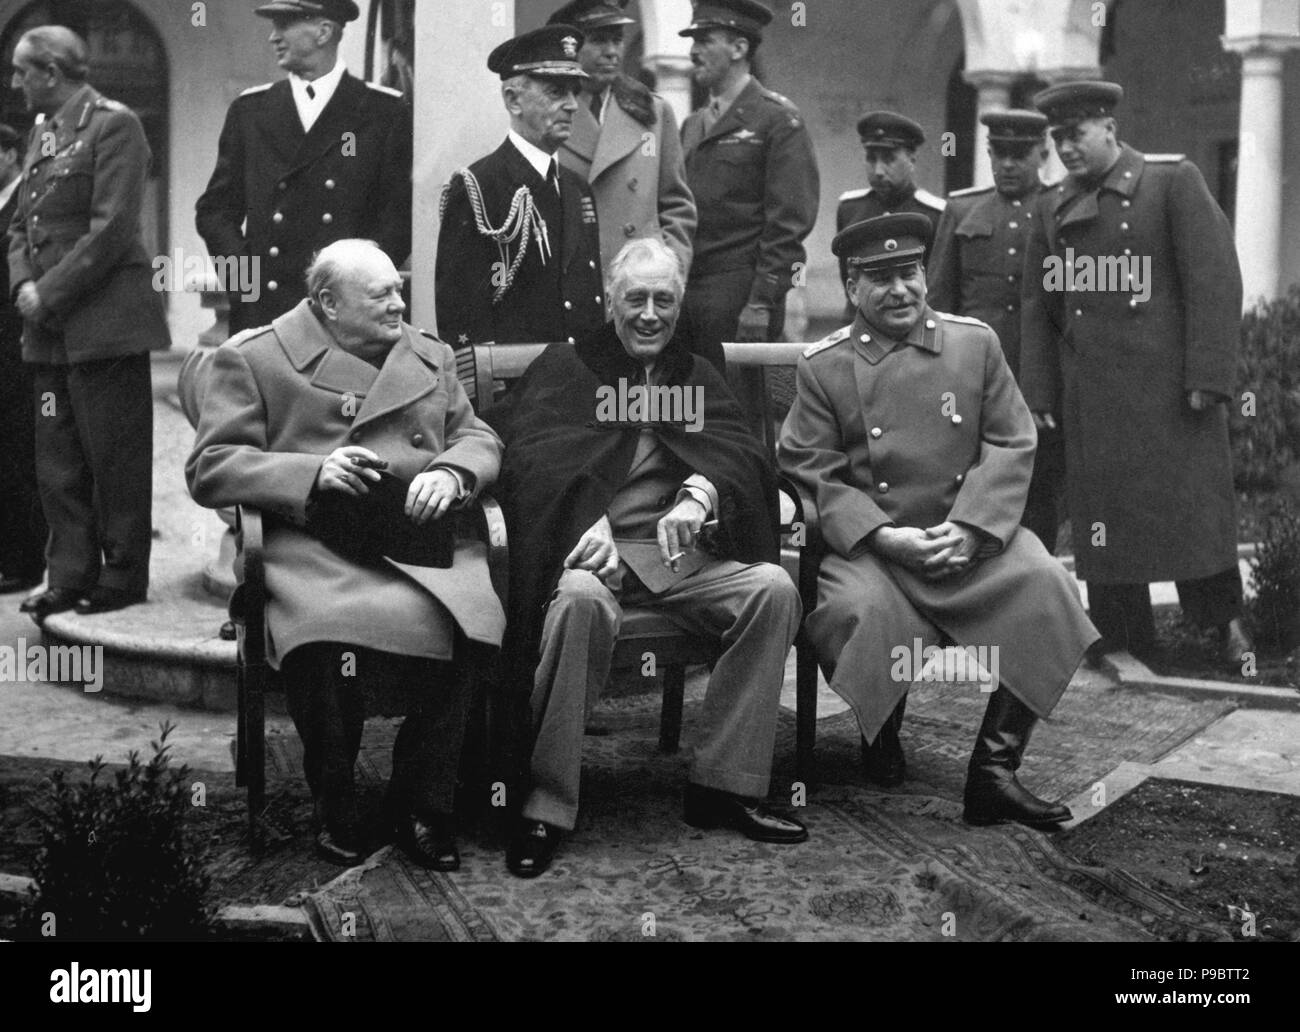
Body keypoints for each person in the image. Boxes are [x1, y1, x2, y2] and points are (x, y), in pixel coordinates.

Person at [485, 237, 806, 879]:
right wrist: (586, 516)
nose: (650, 314)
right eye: (636, 299)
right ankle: (545, 804)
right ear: (612, 302)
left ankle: (723, 785)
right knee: (576, 603)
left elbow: (744, 457)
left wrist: (698, 494)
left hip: (677, 562)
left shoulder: (694, 370)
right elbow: (528, 456)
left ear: (680, 302)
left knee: (773, 589)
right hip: (594, 559)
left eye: (664, 299)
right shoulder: (571, 365)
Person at [186, 240, 504, 869]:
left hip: (415, 539)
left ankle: (423, 804)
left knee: (472, 625)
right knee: (327, 638)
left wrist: (452, 470)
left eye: (399, 288)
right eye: (381, 294)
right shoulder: (254, 358)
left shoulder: (426, 354)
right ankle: (336, 801)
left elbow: (478, 434)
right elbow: (211, 467)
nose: (399, 303)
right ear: (327, 303)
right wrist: (311, 471)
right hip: (314, 544)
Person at [778, 215, 1098, 828]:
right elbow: (808, 468)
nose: (899, 290)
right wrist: (881, 535)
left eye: (909, 273)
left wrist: (974, 527)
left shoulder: (974, 344)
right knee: (860, 615)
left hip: (969, 542)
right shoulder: (824, 366)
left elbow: (1012, 440)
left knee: (1047, 585)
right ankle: (881, 731)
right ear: (851, 289)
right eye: (880, 279)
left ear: (925, 274)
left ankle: (993, 774)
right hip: (876, 547)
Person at [1021, 80, 1252, 666]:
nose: (1066, 149)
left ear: (1108, 128)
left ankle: (1225, 630)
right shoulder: (1052, 206)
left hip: (1172, 393)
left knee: (1194, 512)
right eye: (1057, 140)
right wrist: (1041, 390)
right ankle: (1123, 636)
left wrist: (1209, 374)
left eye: (1076, 135)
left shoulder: (1171, 183)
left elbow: (1213, 279)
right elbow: (1041, 308)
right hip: (1093, 396)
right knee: (1106, 519)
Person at [8, 26, 170, 619]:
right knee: (57, 460)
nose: (15, 82)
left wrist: (46, 293)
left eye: (22, 71)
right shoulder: (43, 133)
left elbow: (113, 230)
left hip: (106, 325)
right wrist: (24, 283)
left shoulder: (114, 125)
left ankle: (123, 574)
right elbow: (23, 225)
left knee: (114, 457)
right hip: (50, 334)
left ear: (51, 72)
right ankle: (68, 573)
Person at [196, 0, 412, 334]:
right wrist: (243, 282)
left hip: (345, 315)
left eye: (284, 25)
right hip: (264, 313)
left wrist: (361, 286)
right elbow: (215, 210)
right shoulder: (251, 110)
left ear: (324, 32)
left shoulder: (381, 111)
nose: (273, 37)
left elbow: (398, 214)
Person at [928, 109, 1064, 552]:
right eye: (998, 153)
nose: (1007, 164)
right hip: (972, 376)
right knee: (968, 482)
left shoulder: (1062, 209)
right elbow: (939, 302)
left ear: (1042, 153)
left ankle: (1034, 579)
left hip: (1038, 379)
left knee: (1037, 488)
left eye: (1019, 155)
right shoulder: (963, 208)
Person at [435, 24, 605, 347]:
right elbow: (459, 314)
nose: (572, 105)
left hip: (583, 381)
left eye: (574, 92)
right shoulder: (478, 187)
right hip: (518, 386)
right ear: (514, 101)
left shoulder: (577, 189)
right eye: (556, 92)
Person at [678, 0, 819, 360]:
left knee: (738, 408)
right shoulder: (692, 126)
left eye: (705, 41)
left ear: (739, 49)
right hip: (688, 294)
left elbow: (789, 223)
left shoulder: (777, 120)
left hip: (740, 295)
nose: (694, 52)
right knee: (690, 406)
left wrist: (762, 301)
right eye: (694, 41)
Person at [547, 0, 696, 278]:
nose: (612, 51)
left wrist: (672, 268)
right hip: (572, 281)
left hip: (639, 283)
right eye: (599, 40)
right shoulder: (550, 113)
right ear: (571, 48)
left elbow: (676, 204)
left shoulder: (653, 113)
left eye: (617, 40)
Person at [835, 111, 945, 320]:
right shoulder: (850, 208)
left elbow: (937, 287)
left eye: (889, 159)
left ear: (912, 159)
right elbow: (848, 277)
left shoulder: (935, 214)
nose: (878, 170)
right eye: (871, 158)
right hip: (860, 323)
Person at [0, 123, 47, 595]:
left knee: (20, 451)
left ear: (11, 155)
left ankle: (25, 562)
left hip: (18, 347)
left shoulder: (26, 201)